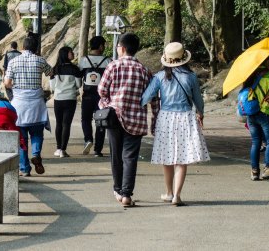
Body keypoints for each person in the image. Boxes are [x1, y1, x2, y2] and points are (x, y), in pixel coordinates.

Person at [141, 42, 209, 206]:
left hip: (166, 118)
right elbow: (198, 100)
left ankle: (169, 192)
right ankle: (177, 195)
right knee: (181, 158)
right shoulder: (191, 77)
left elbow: (146, 97)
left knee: (167, 157)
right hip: (186, 117)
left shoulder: (159, 76)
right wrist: (201, 113)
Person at [98, 33, 159, 207]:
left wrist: (106, 104)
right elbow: (153, 98)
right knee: (130, 157)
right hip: (137, 119)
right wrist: (154, 121)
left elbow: (102, 90)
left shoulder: (113, 66)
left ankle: (117, 189)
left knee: (116, 155)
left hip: (114, 116)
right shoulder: (145, 71)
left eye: (117, 47)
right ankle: (126, 195)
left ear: (122, 48)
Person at [3, 36, 53, 177]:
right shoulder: (40, 60)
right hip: (37, 103)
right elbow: (51, 73)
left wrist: (17, 87)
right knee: (37, 132)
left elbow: (7, 83)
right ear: (36, 48)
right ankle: (36, 153)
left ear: (23, 47)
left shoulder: (13, 61)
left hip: (19, 103)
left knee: (21, 138)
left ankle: (24, 169)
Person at [79, 36, 111, 157]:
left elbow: (79, 76)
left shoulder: (84, 60)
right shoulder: (108, 61)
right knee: (101, 121)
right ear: (101, 46)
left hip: (87, 95)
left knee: (85, 119)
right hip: (102, 96)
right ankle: (98, 150)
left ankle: (88, 140)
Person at [50, 46, 83, 158]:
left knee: (59, 124)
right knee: (66, 124)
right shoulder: (75, 69)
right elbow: (79, 85)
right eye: (70, 52)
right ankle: (63, 149)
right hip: (70, 99)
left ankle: (58, 148)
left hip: (58, 99)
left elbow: (52, 86)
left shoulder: (55, 69)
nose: (73, 53)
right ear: (65, 54)